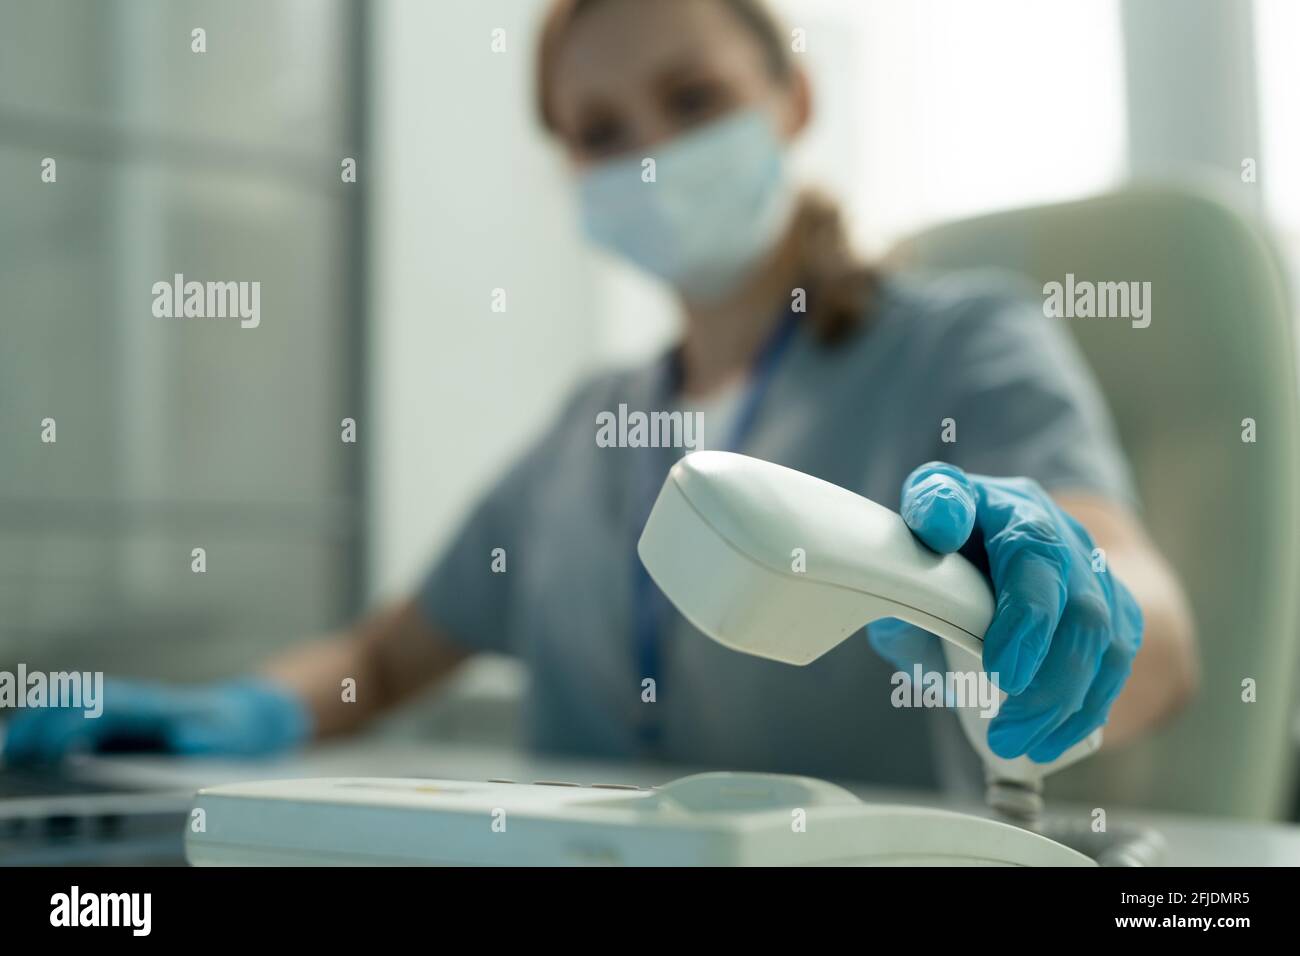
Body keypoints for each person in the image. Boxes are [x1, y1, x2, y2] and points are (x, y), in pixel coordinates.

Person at [2, 0, 1196, 790]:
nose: (650, 157)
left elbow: (1147, 612)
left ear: (792, 99)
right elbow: (385, 654)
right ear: (569, 173)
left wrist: (1073, 607)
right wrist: (238, 712)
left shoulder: (957, 344)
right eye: (600, 130)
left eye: (690, 102)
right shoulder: (591, 429)